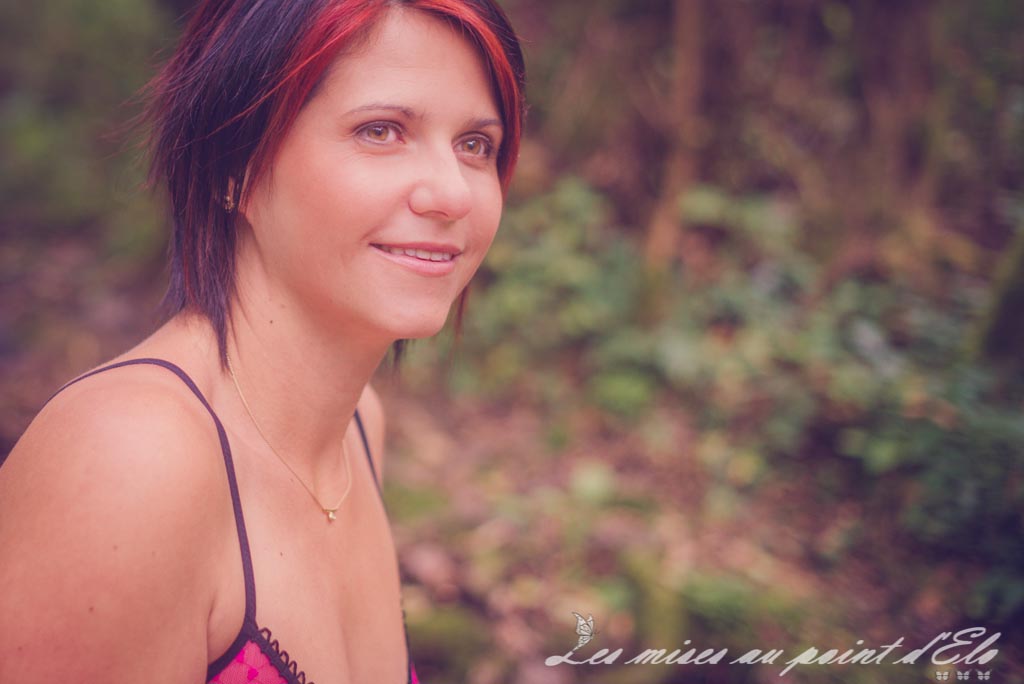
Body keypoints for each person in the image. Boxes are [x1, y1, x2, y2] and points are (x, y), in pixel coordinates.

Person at [0, 0, 525, 682]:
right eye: (381, 131)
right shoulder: (129, 458)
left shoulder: (357, 428)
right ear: (234, 166)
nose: (452, 194)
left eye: (475, 144)